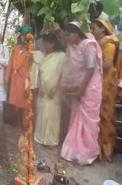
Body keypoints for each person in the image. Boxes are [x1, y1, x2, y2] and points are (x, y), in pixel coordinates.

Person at [60, 22, 102, 165]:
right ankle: (73, 150)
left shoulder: (88, 45)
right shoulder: (72, 46)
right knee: (76, 116)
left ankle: (85, 153)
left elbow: (90, 69)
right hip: (80, 86)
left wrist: (81, 90)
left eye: (68, 35)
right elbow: (73, 68)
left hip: (91, 88)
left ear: (76, 33)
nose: (67, 38)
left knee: (86, 119)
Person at [91, 19, 119, 162]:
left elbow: (107, 64)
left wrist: (90, 63)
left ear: (103, 29)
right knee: (98, 115)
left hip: (107, 85)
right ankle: (97, 149)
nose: (92, 31)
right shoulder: (101, 43)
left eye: (94, 28)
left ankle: (105, 150)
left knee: (105, 117)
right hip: (100, 83)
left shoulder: (109, 44)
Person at [34, 34, 66, 146]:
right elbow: (37, 72)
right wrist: (40, 87)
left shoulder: (61, 56)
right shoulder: (43, 56)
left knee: (53, 116)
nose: (44, 45)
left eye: (46, 43)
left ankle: (51, 140)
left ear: (53, 43)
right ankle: (40, 138)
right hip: (43, 91)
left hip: (54, 92)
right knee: (42, 113)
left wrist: (55, 89)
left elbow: (62, 74)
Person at [5, 26, 33, 130]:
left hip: (25, 79)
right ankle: (15, 122)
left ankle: (24, 124)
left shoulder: (31, 49)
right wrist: (7, 77)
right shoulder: (16, 48)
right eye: (21, 34)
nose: (22, 37)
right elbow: (10, 63)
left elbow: (33, 66)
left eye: (24, 34)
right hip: (15, 78)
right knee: (14, 102)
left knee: (24, 103)